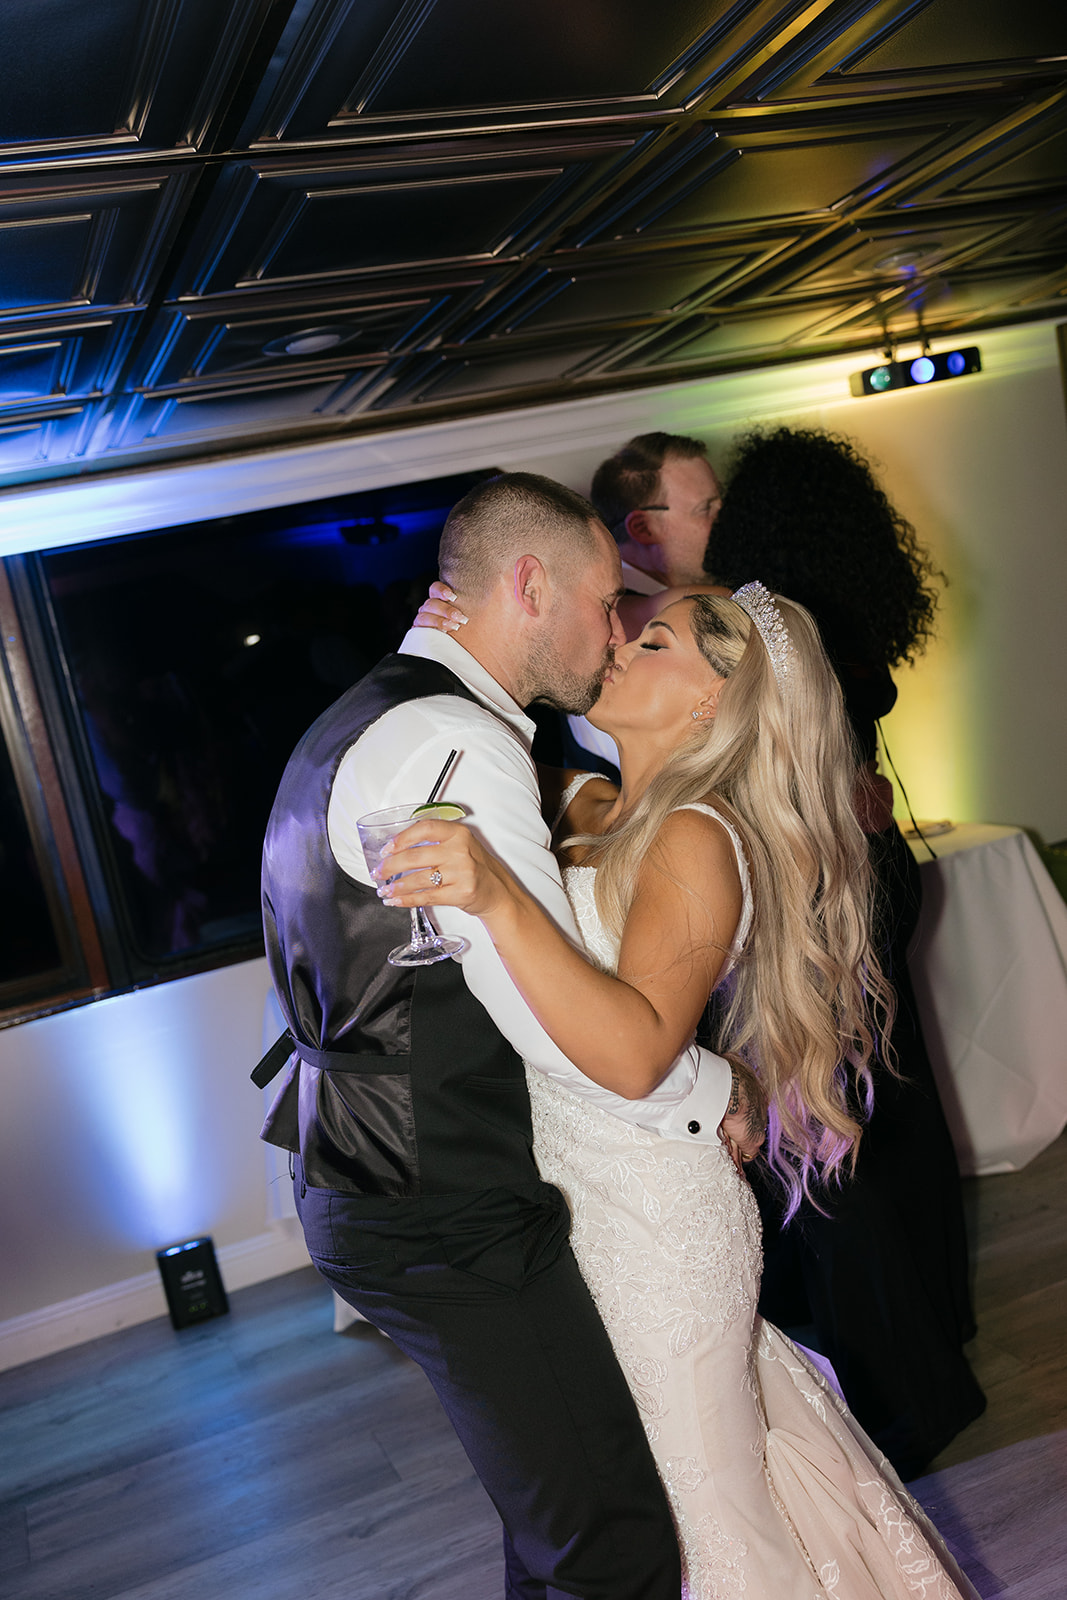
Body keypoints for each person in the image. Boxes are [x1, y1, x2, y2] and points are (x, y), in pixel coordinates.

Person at [386, 584, 979, 1598]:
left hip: (655, 1231)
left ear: (712, 699)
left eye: (650, 637)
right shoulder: (595, 806)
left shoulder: (695, 837)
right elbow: (483, 733)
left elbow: (631, 1055)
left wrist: (492, 895)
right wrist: (443, 630)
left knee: (690, 1522)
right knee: (644, 1504)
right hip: (586, 1206)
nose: (617, 640)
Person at [257, 472, 761, 1600]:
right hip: (445, 1197)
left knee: (552, 1522)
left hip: (376, 1172)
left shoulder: (377, 718)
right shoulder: (449, 741)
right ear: (530, 585)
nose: (612, 629)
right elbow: (547, 1021)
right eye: (599, 602)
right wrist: (712, 1087)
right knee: (611, 1543)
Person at [705, 425, 986, 1478]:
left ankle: (893, 1364)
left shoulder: (767, 621)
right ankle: (933, 1328)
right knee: (894, 1098)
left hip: (832, 877)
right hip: (874, 862)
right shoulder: (844, 614)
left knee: (846, 1112)